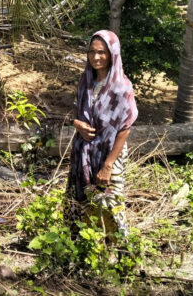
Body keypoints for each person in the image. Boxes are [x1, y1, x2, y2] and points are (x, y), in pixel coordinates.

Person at [67, 30, 138, 237]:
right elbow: (78, 114)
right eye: (91, 52)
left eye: (101, 52)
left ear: (112, 54)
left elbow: (125, 128)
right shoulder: (85, 81)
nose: (96, 57)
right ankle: (82, 248)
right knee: (81, 202)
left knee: (111, 203)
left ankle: (118, 254)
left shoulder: (121, 87)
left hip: (110, 155)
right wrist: (77, 124)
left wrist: (108, 165)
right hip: (83, 152)